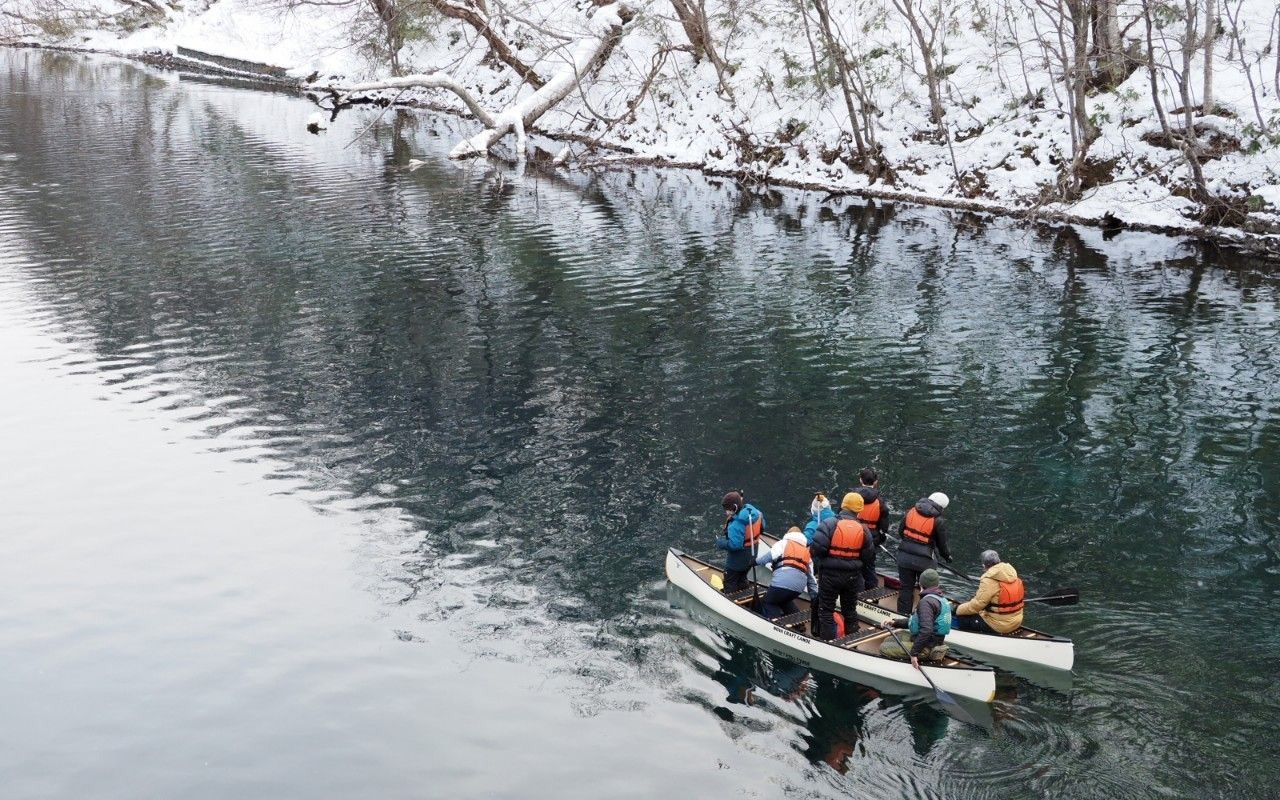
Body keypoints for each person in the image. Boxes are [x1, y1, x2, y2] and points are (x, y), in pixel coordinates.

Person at [811, 492, 875, 639]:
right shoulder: (864, 530)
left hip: (829, 576)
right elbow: (868, 556)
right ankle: (853, 641)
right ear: (859, 510)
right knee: (850, 610)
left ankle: (829, 643)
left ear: (843, 506)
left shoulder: (829, 524)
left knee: (826, 610)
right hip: (852, 577)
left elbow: (817, 549)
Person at [893, 491, 953, 615]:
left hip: (904, 557)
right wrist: (947, 557)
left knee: (905, 588)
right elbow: (942, 545)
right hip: (925, 562)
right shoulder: (938, 520)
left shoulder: (911, 511)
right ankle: (923, 616)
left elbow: (901, 531)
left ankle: (902, 616)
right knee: (927, 590)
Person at [879, 568, 950, 668]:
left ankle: (904, 667)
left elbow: (926, 630)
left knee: (884, 647)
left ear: (920, 584)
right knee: (889, 639)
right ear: (937, 585)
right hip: (933, 642)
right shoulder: (940, 598)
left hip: (927, 648)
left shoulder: (926, 603)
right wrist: (894, 622)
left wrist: (914, 654)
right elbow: (919, 622)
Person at [953, 549, 1025, 633]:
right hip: (1017, 621)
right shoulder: (1012, 575)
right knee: (977, 610)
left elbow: (976, 606)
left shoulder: (989, 580)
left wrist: (957, 609)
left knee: (962, 617)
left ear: (984, 565)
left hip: (999, 626)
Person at [753, 527, 820, 619]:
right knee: (784, 601)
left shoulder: (783, 543)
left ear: (788, 534)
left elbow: (769, 557)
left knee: (769, 602)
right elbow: (811, 580)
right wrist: (814, 597)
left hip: (782, 583)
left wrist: (755, 562)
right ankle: (798, 623)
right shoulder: (806, 552)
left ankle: (774, 623)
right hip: (798, 588)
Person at [714, 490, 764, 594]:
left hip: (736, 561)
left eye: (727, 510)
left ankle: (730, 603)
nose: (726, 512)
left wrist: (720, 543)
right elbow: (763, 527)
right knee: (742, 577)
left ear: (735, 508)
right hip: (752, 556)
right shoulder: (756, 514)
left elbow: (735, 545)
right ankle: (745, 596)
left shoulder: (736, 524)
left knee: (730, 581)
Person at [852, 468, 890, 590]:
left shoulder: (851, 497)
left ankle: (854, 591)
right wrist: (881, 539)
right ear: (875, 482)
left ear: (860, 480)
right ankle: (871, 595)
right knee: (869, 567)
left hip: (853, 534)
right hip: (872, 537)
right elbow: (884, 527)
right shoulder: (880, 501)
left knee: (853, 564)